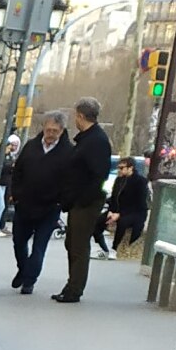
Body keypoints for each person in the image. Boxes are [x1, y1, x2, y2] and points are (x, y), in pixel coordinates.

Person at [9, 113, 76, 295]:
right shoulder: (31, 146)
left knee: (39, 246)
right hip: (25, 204)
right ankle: (23, 269)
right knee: (18, 241)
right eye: (48, 129)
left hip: (49, 208)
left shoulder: (68, 152)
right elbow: (18, 172)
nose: (51, 134)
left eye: (55, 131)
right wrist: (16, 195)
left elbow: (70, 181)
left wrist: (60, 201)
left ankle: (30, 280)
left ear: (61, 131)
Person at [56, 97, 114, 302]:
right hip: (79, 200)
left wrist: (82, 199)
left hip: (85, 202)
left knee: (78, 245)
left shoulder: (95, 141)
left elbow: (98, 175)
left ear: (81, 116)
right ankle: (72, 284)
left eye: (75, 116)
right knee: (72, 243)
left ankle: (75, 289)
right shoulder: (89, 139)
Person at [107, 156, 151, 253]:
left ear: (130, 168)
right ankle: (103, 247)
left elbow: (139, 203)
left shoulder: (140, 182)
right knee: (99, 221)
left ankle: (115, 248)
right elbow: (114, 198)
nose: (119, 170)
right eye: (119, 168)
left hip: (136, 212)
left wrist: (119, 214)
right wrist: (111, 211)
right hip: (119, 210)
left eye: (122, 168)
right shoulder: (119, 180)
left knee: (123, 222)